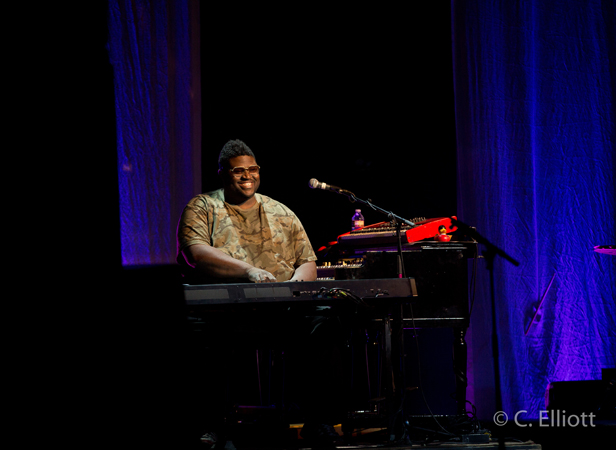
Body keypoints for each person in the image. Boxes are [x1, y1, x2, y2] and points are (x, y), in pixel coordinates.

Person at [176, 140, 345, 447]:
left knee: (324, 322)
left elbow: (307, 261)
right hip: (223, 312)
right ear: (223, 173)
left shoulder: (281, 211)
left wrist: (294, 287)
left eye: (252, 169)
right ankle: (211, 425)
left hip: (280, 311)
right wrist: (249, 271)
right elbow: (196, 252)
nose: (247, 176)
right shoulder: (202, 207)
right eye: (238, 171)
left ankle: (317, 421)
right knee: (198, 333)